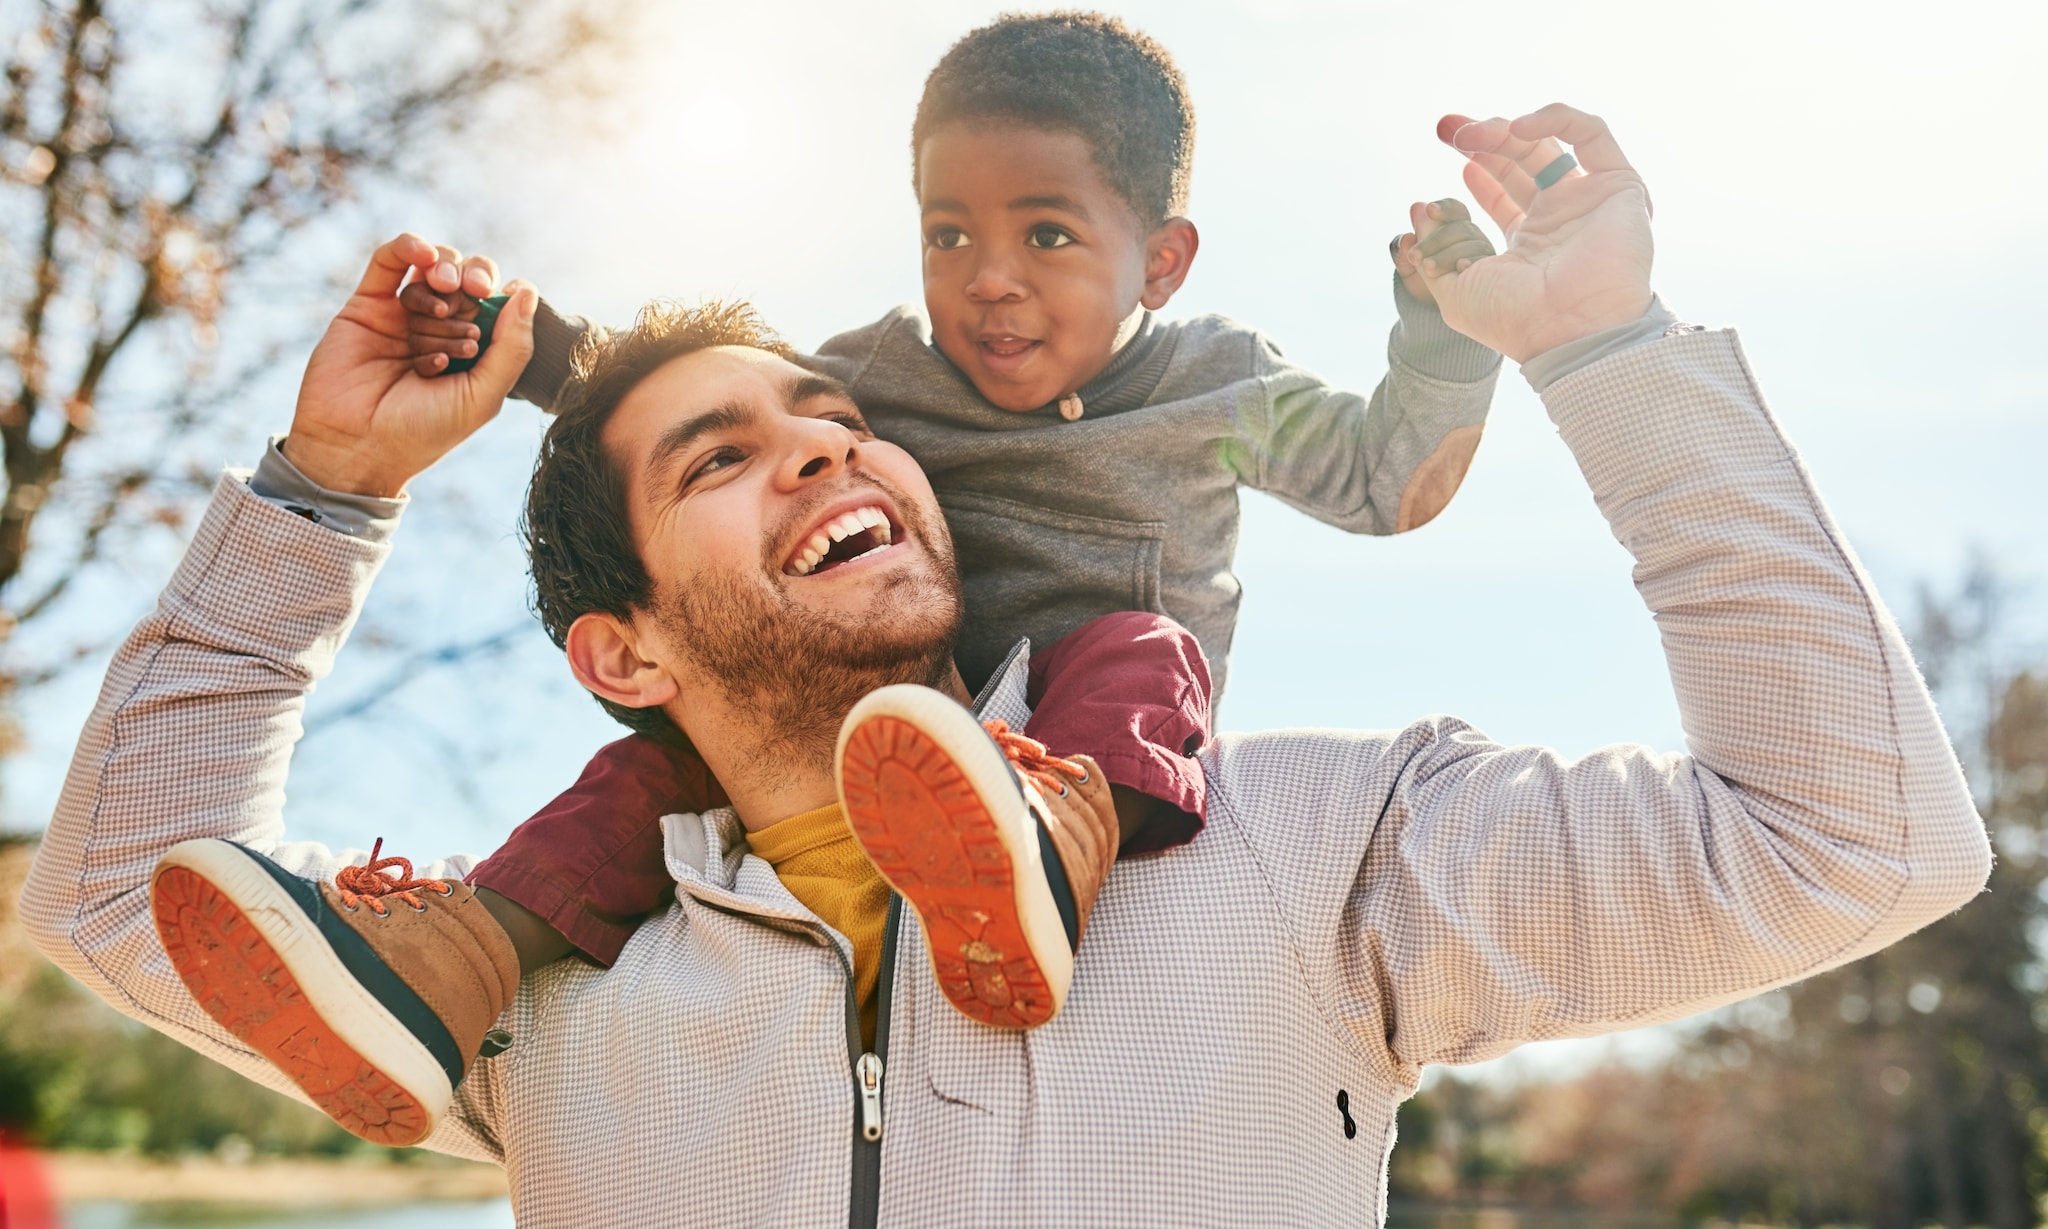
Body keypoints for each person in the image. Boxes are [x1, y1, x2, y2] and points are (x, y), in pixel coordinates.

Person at [23, 104, 1990, 1227]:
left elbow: (1859, 838)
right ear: (616, 646)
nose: (831, 439)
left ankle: (1041, 838)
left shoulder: (1328, 857)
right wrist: (326, 486)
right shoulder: (569, 988)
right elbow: (121, 897)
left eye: (833, 419)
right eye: (722, 456)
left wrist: (1598, 344)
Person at [342, 10, 1506, 1085]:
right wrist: (521, 348)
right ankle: (457, 960)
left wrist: (1445, 339)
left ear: (1159, 259)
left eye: (1045, 233)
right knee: (652, 768)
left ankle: (1039, 860)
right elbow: (707, 405)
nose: (987, 280)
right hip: (880, 724)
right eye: (948, 234)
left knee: (1139, 646)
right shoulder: (878, 373)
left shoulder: (1222, 386)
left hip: (1096, 745)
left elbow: (1384, 483)